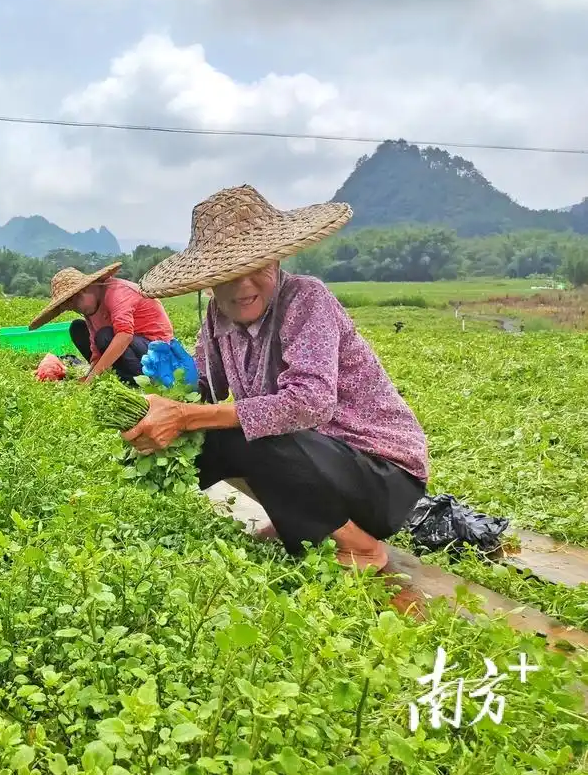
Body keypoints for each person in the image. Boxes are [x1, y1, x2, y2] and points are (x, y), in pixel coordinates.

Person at [124, 184, 429, 575]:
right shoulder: (218, 316)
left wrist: (186, 415)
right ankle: (295, 517)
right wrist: (166, 395)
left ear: (278, 260)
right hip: (314, 465)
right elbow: (203, 388)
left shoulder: (306, 299)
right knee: (212, 438)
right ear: (210, 281)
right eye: (227, 275)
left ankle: (362, 547)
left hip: (383, 479)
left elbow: (309, 403)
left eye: (256, 268)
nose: (242, 286)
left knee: (242, 432)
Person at [29, 264, 174, 385]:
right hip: (130, 347)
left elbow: (124, 336)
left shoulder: (117, 293)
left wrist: (92, 379)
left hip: (157, 352)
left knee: (105, 336)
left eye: (74, 303)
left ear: (84, 291)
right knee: (78, 328)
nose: (76, 309)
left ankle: (137, 380)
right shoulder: (90, 310)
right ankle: (115, 374)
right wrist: (89, 375)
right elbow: (96, 350)